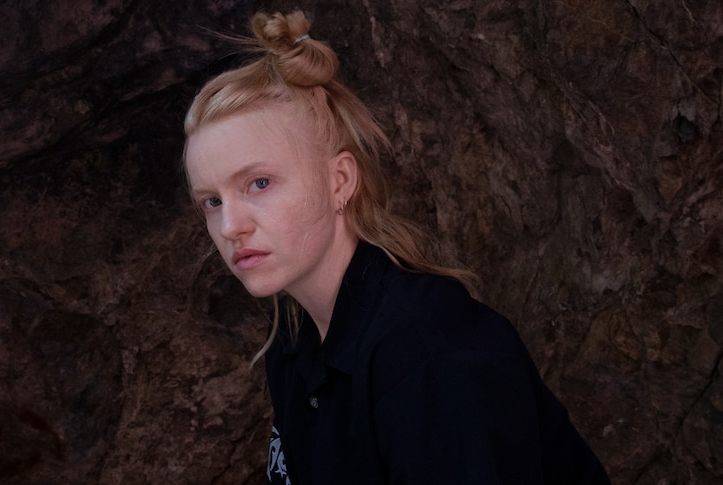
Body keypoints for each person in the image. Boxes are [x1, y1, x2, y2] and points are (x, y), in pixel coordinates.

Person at [182, 10, 611, 485]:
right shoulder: (293, 333)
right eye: (212, 201)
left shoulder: (430, 355)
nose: (230, 225)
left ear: (339, 180)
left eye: (259, 183)